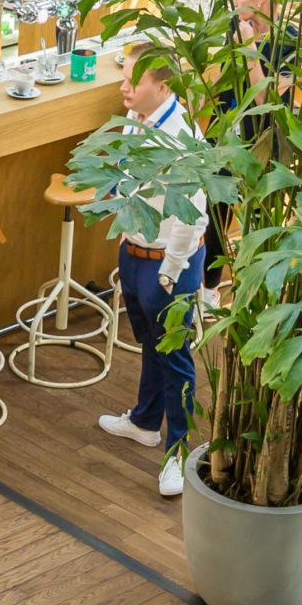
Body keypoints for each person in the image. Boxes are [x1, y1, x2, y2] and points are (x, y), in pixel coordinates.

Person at [95, 56, 209, 498]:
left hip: (168, 262)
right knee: (147, 340)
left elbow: (192, 216)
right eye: (123, 79)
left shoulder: (182, 137)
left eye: (132, 82)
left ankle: (177, 454)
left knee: (175, 356)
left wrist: (171, 271)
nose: (123, 89)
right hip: (135, 251)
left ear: (162, 87)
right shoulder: (134, 118)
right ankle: (145, 421)